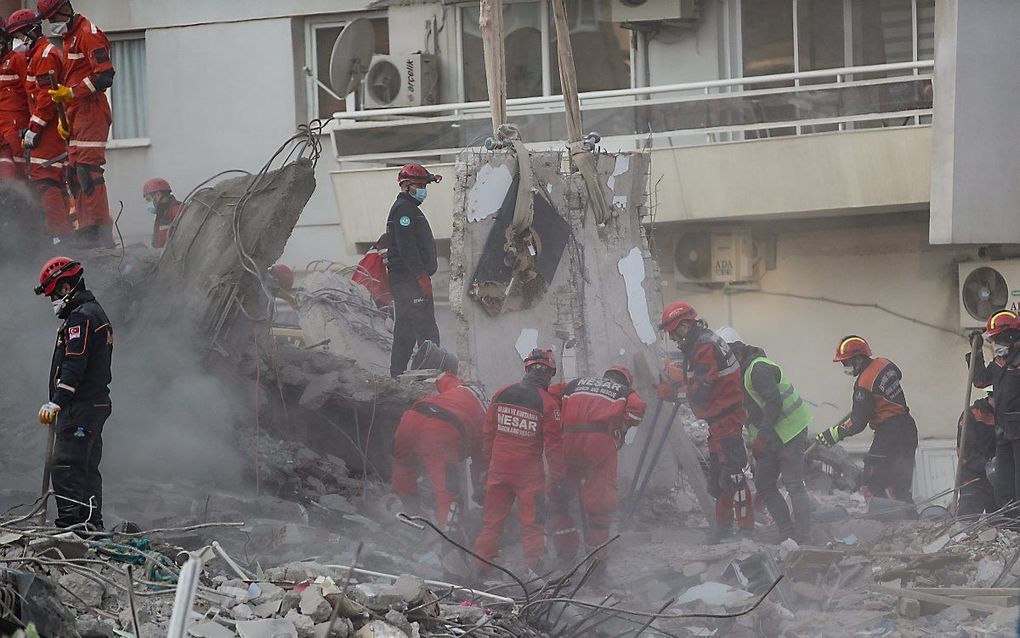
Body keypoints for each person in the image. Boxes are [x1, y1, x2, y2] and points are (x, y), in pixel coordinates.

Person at [658, 302, 752, 543]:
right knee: (719, 479)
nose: (673, 338)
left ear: (685, 325)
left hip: (726, 418)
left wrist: (676, 391)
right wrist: (681, 383)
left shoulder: (704, 346)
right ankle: (724, 529)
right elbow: (699, 381)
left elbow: (702, 388)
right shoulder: (701, 343)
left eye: (673, 332)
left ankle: (744, 531)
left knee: (732, 476)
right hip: (719, 419)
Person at [35, 256, 112, 530]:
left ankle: (72, 531)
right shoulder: (95, 312)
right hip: (95, 406)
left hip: (79, 408)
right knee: (87, 469)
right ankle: (92, 527)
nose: (52, 301)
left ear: (66, 288)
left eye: (53, 294)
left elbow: (74, 365)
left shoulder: (80, 318)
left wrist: (57, 402)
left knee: (67, 467)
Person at [473, 348, 565, 577]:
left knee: (492, 522)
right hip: (528, 475)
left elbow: (488, 434)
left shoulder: (502, 393)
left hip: (499, 469)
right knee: (532, 523)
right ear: (549, 373)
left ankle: (481, 569)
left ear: (527, 369)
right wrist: (559, 479)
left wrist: (487, 466)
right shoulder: (548, 404)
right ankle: (533, 572)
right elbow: (554, 448)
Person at [718, 327, 813, 543]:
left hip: (790, 431)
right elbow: (751, 412)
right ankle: (787, 534)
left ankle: (805, 536)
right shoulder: (740, 375)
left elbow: (773, 402)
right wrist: (756, 441)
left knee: (794, 483)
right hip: (770, 436)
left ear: (736, 353)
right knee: (764, 483)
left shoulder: (758, 369)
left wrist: (762, 436)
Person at [549, 366, 645, 574]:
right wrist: (624, 426)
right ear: (625, 381)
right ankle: (597, 564)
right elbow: (638, 409)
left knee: (561, 495)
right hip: (599, 443)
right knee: (600, 502)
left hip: (568, 440)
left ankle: (566, 555)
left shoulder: (576, 383)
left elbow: (551, 395)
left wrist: (564, 415)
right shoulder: (623, 391)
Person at [38, 0, 115, 248]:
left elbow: (104, 75)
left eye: (53, 18)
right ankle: (87, 226)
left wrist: (70, 94)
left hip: (92, 111)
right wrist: (67, 117)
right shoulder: (70, 37)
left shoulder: (87, 34)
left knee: (87, 171)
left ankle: (99, 231)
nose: (52, 25)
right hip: (78, 113)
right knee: (73, 174)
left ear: (65, 9)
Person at [391, 348, 488, 538]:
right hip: (440, 431)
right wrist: (481, 492)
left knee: (403, 467)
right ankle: (451, 549)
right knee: (448, 493)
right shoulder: (488, 424)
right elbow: (480, 466)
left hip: (411, 418)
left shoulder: (462, 387)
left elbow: (442, 377)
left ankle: (410, 517)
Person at [817, 336, 918, 505]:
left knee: (872, 482)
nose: (845, 367)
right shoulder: (885, 363)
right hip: (908, 429)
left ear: (858, 358)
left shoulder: (864, 384)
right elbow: (897, 376)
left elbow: (857, 423)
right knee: (899, 485)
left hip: (889, 434)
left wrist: (833, 435)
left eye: (846, 362)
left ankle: (886, 520)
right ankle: (909, 522)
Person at [12, 8, 70, 240]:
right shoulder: (34, 56)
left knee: (46, 181)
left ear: (31, 31)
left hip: (50, 131)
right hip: (45, 130)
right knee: (47, 182)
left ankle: (59, 235)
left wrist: (34, 129)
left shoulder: (45, 56)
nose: (17, 40)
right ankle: (59, 233)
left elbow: (46, 97)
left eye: (19, 34)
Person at [385, 163, 442, 378]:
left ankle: (398, 373)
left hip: (409, 280)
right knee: (425, 328)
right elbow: (406, 247)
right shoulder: (404, 211)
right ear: (406, 186)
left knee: (406, 329)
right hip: (409, 280)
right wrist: (420, 276)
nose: (423, 190)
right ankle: (431, 374)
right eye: (420, 185)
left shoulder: (409, 210)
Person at [970, 310, 1020, 516]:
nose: (995, 344)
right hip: (1003, 432)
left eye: (997, 338)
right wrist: (976, 352)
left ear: (1011, 336)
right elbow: (980, 380)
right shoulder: (1000, 362)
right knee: (1004, 483)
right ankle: (1011, 525)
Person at [956, 389, 997, 517]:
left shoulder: (1007, 414)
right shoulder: (972, 414)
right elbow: (964, 452)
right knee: (967, 522)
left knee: (1002, 525)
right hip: (973, 478)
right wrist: (988, 465)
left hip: (998, 480)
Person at [0, 15, 29, 181]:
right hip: (3, 135)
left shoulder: (17, 60)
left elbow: (35, 95)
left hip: (16, 131)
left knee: (17, 177)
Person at [142, 177, 182, 249]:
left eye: (148, 199)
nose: (148, 203)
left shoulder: (176, 210)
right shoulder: (162, 213)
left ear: (158, 195)